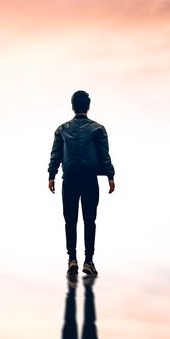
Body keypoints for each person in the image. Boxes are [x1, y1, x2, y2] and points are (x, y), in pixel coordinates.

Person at [48, 89, 115, 279]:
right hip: (89, 179)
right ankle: (89, 261)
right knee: (89, 221)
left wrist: (52, 175)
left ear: (72, 106)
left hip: (69, 179)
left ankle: (72, 260)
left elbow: (56, 155)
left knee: (70, 221)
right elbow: (104, 154)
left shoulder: (62, 129)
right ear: (88, 106)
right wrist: (110, 176)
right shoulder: (98, 129)